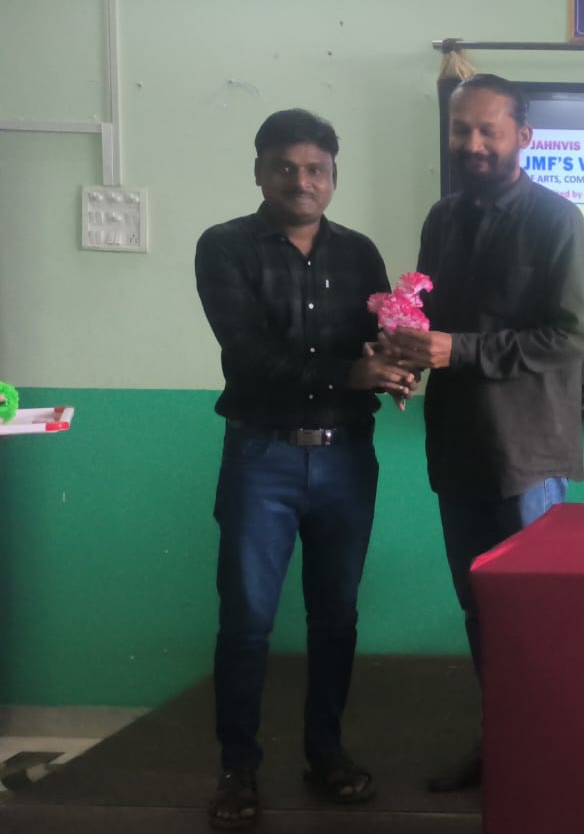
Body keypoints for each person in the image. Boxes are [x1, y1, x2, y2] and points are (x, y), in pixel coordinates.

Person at [194, 109, 415, 830]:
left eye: (315, 168)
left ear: (332, 177)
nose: (301, 181)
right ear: (259, 172)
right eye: (285, 167)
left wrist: (397, 365)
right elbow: (248, 353)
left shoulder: (359, 253)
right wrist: (353, 373)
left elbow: (375, 340)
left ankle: (326, 753)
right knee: (247, 621)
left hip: (347, 457)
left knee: (336, 616)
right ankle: (238, 769)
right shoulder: (225, 246)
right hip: (262, 456)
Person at [382, 74, 584, 792]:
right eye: (460, 130)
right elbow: (429, 322)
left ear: (522, 137)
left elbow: (573, 336)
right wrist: (404, 355)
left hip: (526, 454)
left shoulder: (557, 220)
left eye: (488, 131)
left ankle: (552, 758)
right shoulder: (442, 219)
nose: (472, 144)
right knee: (479, 608)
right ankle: (502, 741)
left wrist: (460, 350)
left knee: (533, 614)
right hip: (457, 447)